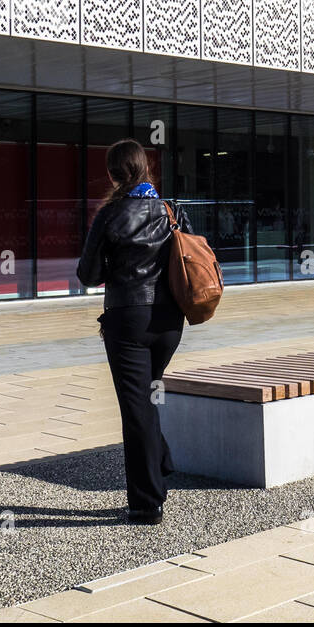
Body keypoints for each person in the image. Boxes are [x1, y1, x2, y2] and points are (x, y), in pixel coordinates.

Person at [77, 138, 191, 525]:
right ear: (144, 169)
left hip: (128, 320)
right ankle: (160, 461)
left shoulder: (110, 215)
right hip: (169, 322)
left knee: (136, 409)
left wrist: (117, 265)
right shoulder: (169, 210)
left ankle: (146, 504)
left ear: (112, 174)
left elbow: (88, 275)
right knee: (146, 398)